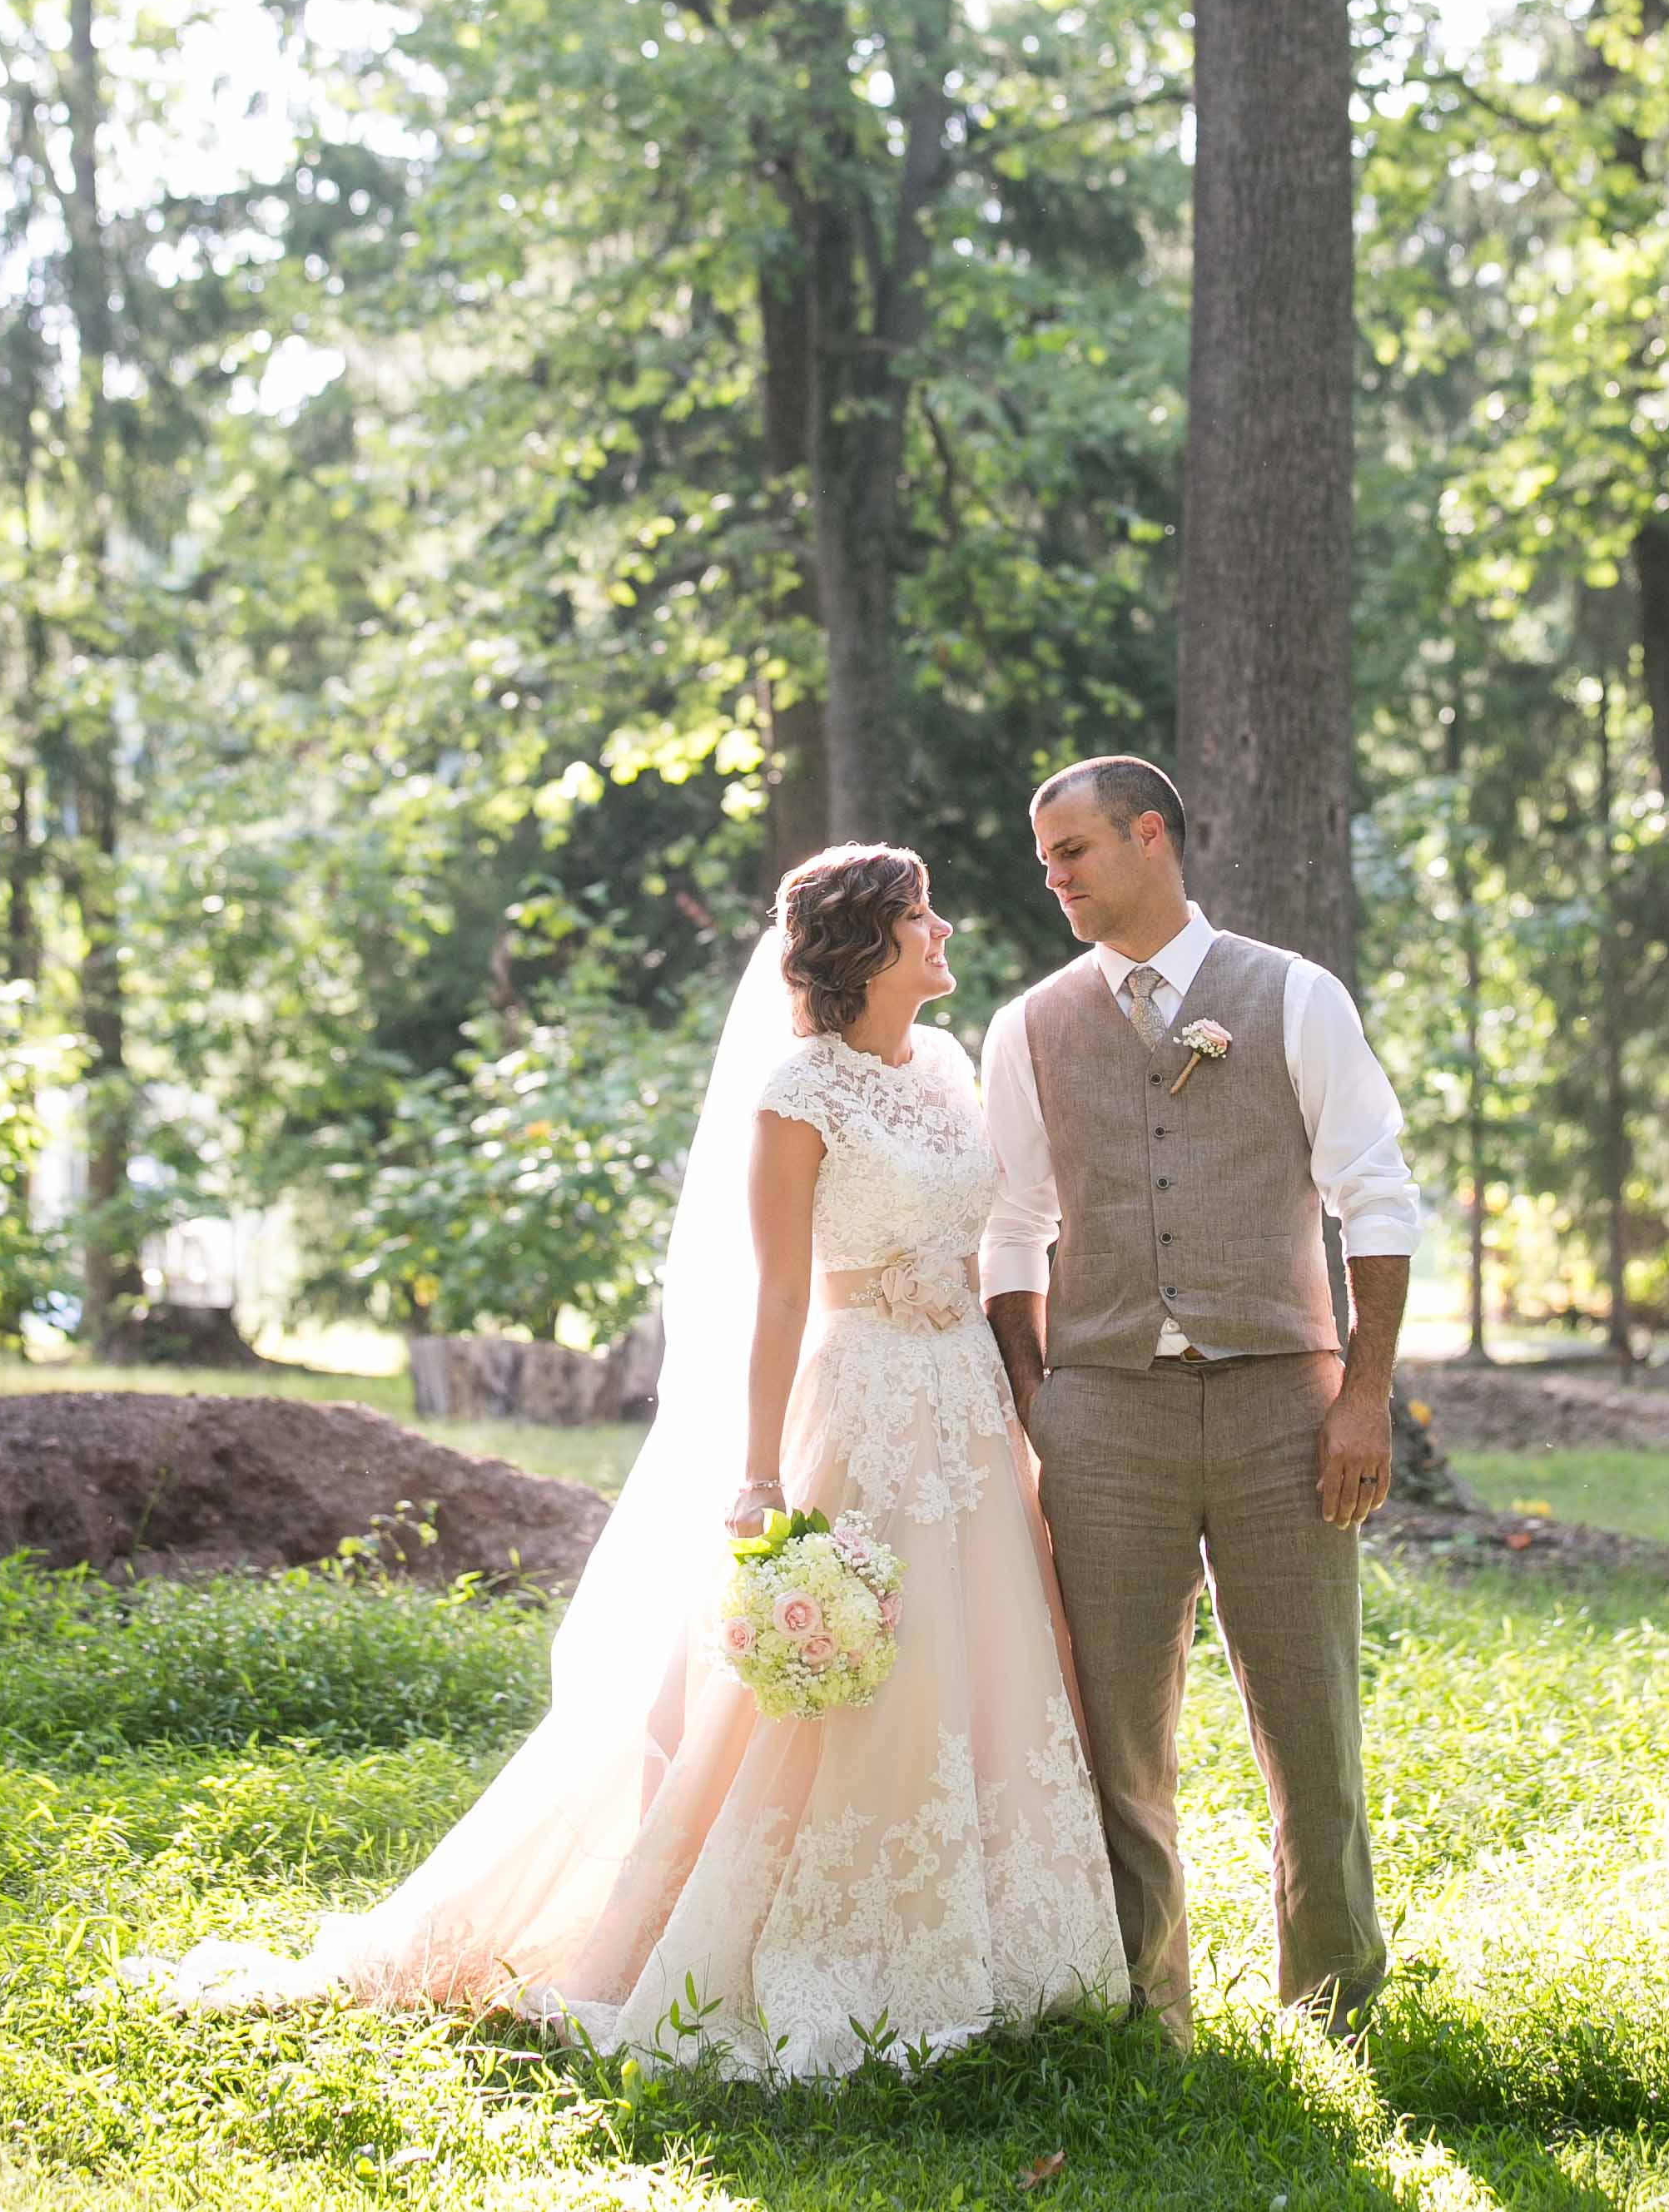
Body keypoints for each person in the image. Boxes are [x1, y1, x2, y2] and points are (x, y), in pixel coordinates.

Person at [130, 845, 1125, 2078]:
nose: (945, 930)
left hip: (963, 1403)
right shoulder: (796, 1093)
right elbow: (776, 1299)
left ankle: (1006, 1951)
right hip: (862, 1402)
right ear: (868, 944)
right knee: (850, 1668)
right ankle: (822, 1948)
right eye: (921, 915)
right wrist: (760, 1476)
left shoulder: (948, 1067)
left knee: (983, 1652)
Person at [980, 756, 1421, 2043]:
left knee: (1311, 1716)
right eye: (1045, 858)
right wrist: (1039, 1399)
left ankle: (1335, 2004)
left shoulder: (1296, 995)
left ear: (1150, 836)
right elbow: (1011, 1223)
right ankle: (1143, 2010)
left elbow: (1376, 1193)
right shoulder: (1030, 1025)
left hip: (1288, 1402)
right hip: (1104, 1414)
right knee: (1115, 1731)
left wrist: (1365, 1396)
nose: (1054, 877)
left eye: (1072, 851)